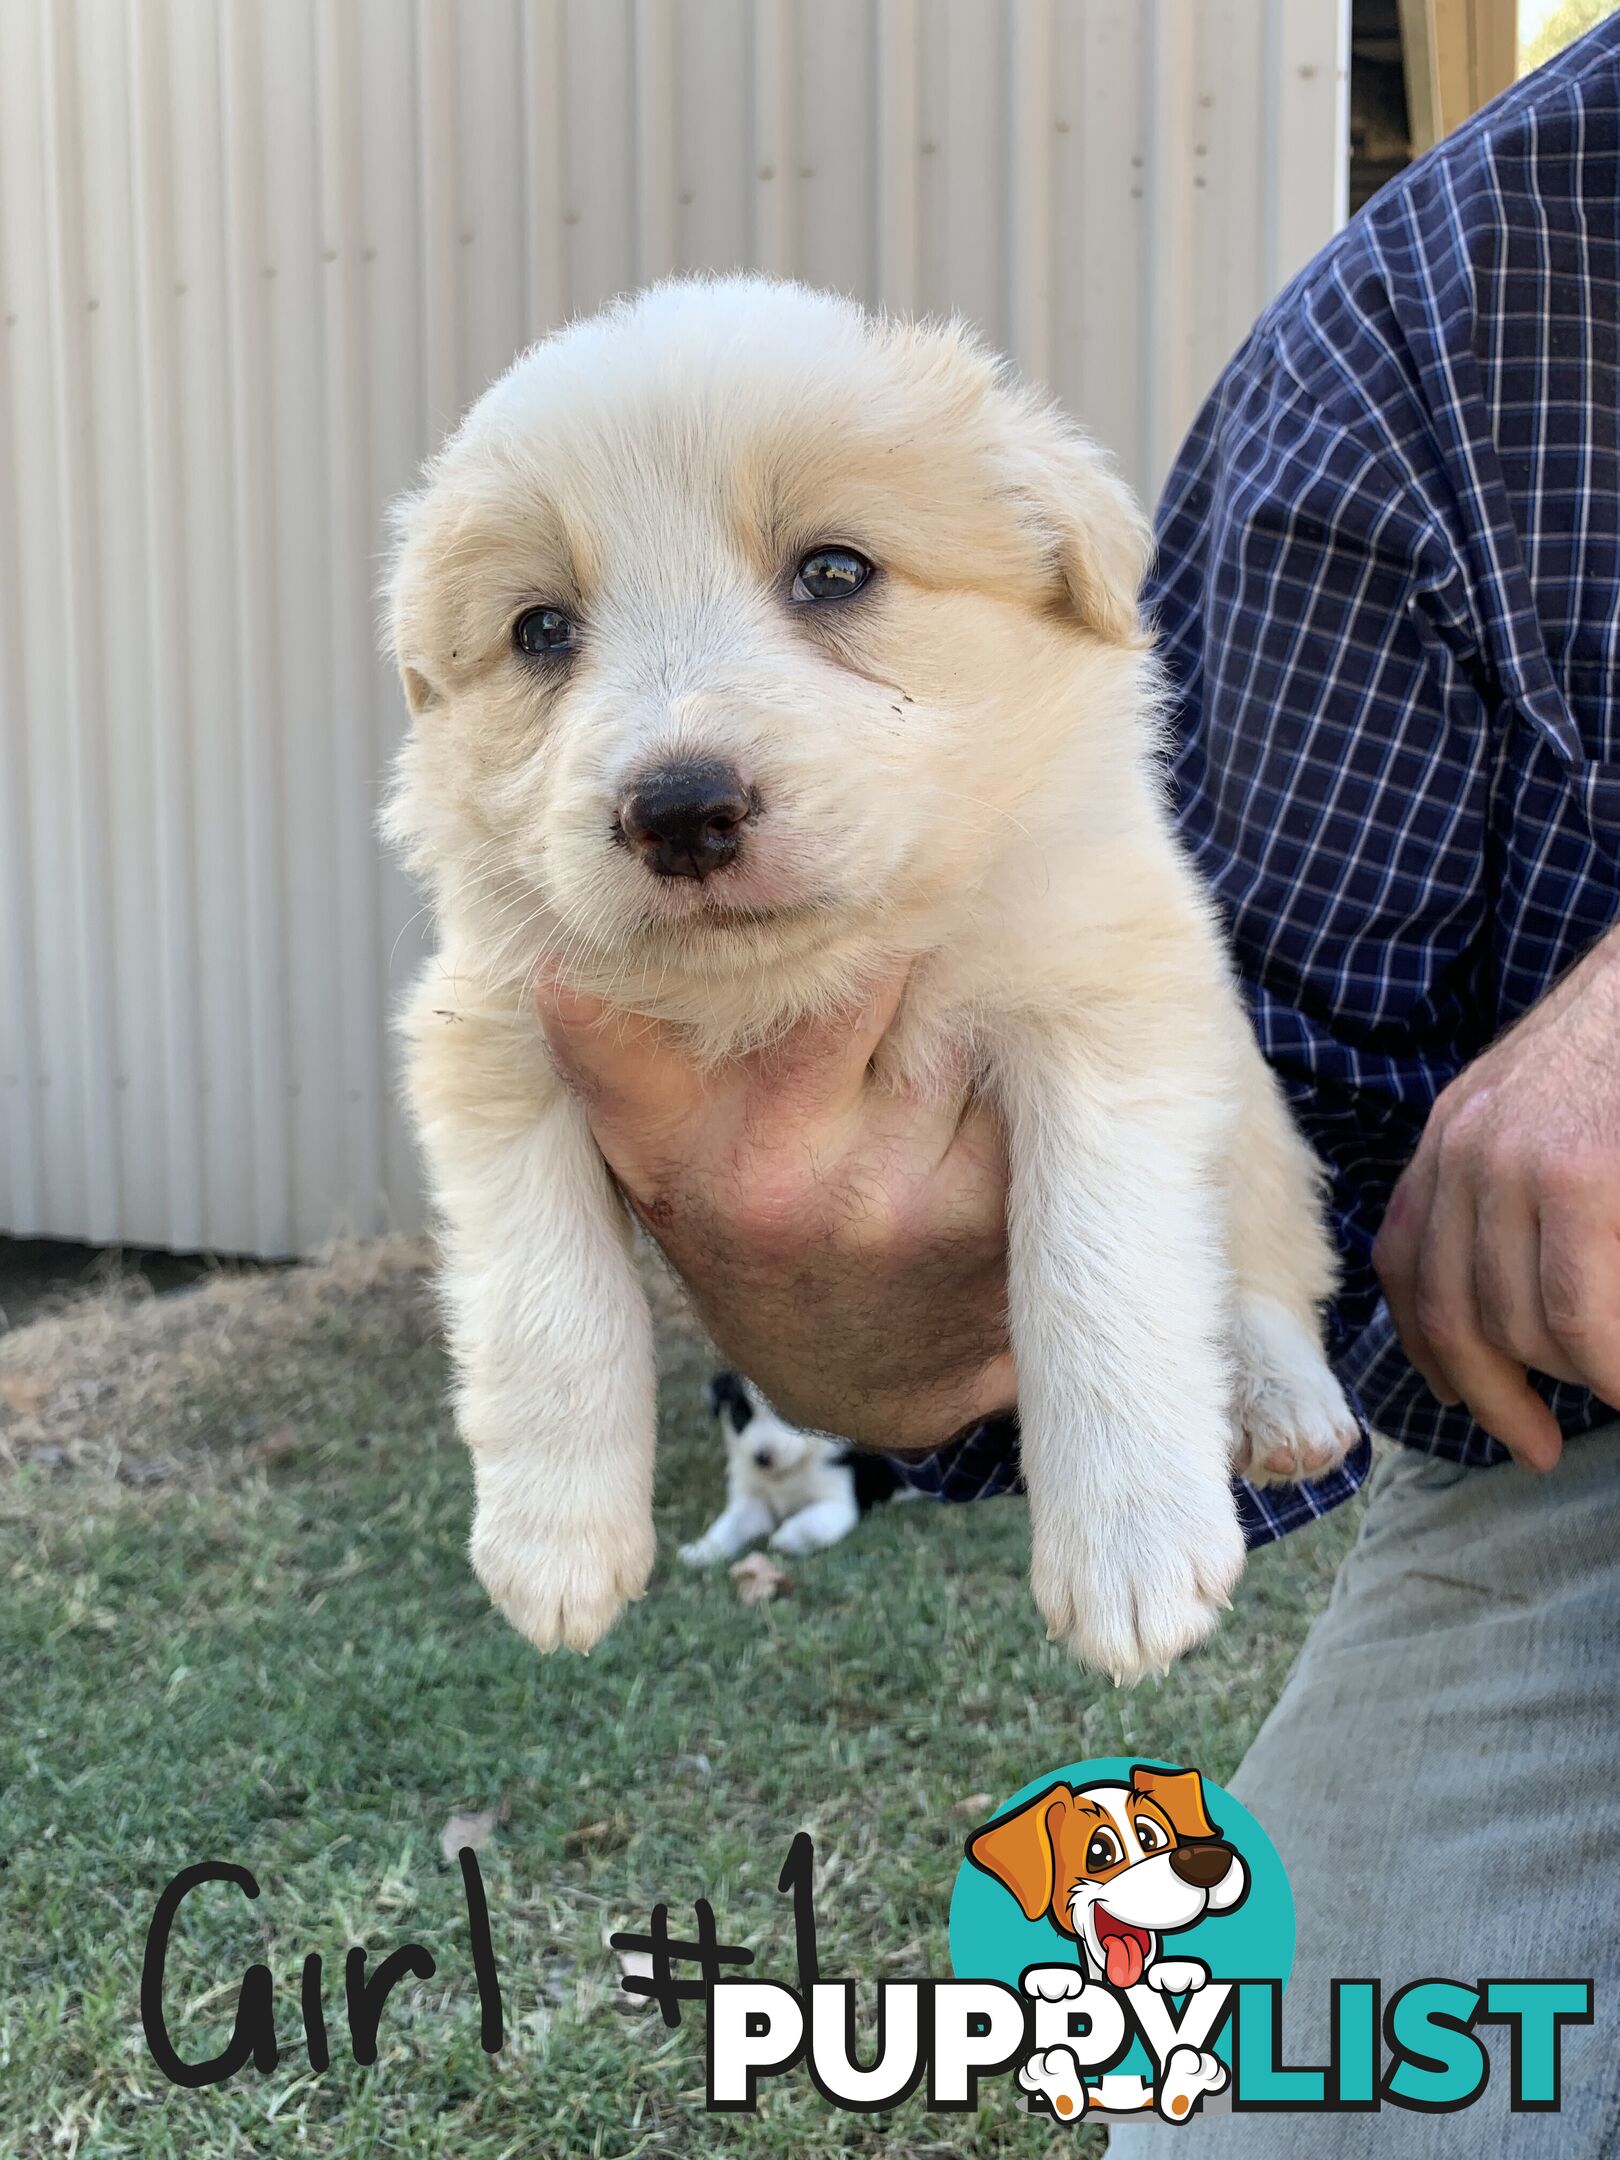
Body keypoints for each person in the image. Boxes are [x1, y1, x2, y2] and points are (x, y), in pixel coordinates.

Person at [539, 23, 1620, 2154]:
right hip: (1591, 1453)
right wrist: (944, 1319)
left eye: (830, 578)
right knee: (1279, 2103)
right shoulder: (1415, 377)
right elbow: (1298, 1175)